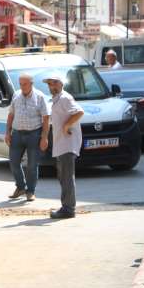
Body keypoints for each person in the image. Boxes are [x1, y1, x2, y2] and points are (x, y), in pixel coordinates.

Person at [43, 74, 85, 219]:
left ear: (61, 84)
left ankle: (68, 209)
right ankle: (66, 206)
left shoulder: (65, 98)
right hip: (61, 144)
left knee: (66, 177)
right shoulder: (57, 99)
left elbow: (79, 112)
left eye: (54, 83)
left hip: (67, 144)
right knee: (63, 177)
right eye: (49, 83)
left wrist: (67, 125)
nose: (51, 86)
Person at [4, 72, 50, 202]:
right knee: (13, 162)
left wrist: (44, 137)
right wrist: (7, 132)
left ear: (31, 84)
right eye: (20, 84)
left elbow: (46, 118)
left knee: (32, 165)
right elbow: (11, 115)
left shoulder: (40, 97)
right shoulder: (16, 95)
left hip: (34, 134)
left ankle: (30, 191)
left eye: (25, 84)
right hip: (17, 133)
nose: (22, 87)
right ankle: (20, 187)